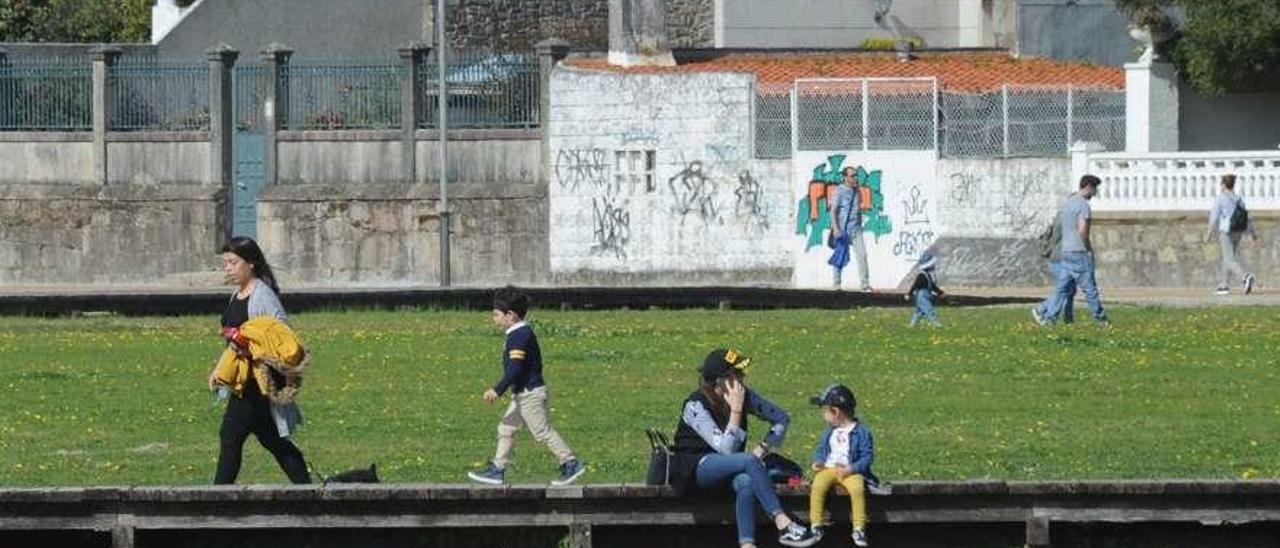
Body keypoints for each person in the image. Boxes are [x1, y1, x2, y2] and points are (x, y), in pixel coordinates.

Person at [668, 349, 817, 548]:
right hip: (695, 469)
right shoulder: (696, 405)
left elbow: (782, 418)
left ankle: (747, 544)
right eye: (736, 374)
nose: (742, 378)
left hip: (729, 467)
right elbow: (726, 451)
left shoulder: (745, 396)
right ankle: (784, 523)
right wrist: (736, 410)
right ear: (720, 381)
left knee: (746, 481)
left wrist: (763, 448)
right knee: (747, 460)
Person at [208, 236, 310, 484]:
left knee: (230, 437)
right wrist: (219, 370)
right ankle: (308, 491)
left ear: (250, 262)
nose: (228, 268)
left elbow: (283, 336)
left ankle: (215, 502)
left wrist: (254, 348)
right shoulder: (237, 294)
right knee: (272, 439)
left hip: (258, 383)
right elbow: (234, 340)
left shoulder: (262, 295)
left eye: (233, 263)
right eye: (226, 263)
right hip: (244, 381)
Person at [468, 286, 585, 486]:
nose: (493, 319)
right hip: (522, 394)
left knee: (541, 432)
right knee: (506, 428)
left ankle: (571, 462)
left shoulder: (520, 336)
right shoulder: (517, 333)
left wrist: (497, 390)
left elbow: (514, 370)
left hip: (530, 394)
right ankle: (498, 469)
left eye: (496, 315)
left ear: (510, 315)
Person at [806, 384, 885, 547]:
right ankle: (816, 524)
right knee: (818, 485)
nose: (824, 415)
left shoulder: (862, 432)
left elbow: (867, 457)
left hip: (850, 471)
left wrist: (851, 468)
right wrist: (818, 461)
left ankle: (859, 527)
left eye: (825, 411)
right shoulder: (829, 431)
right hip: (829, 469)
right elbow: (821, 449)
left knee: (857, 489)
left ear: (835, 412)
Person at [1033, 175, 1108, 326]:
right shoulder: (1083, 206)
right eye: (1095, 190)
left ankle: (1049, 318)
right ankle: (1101, 319)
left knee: (1063, 287)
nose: (1095, 194)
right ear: (1088, 187)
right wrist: (1088, 248)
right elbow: (1082, 230)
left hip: (1065, 252)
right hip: (1079, 251)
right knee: (1089, 288)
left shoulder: (1067, 204)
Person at [1208, 174, 1258, 295]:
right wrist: (1252, 233)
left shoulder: (1221, 198)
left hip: (1226, 231)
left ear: (1224, 184)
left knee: (1228, 258)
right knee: (1228, 258)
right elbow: (1247, 217)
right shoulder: (1238, 198)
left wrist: (1209, 231)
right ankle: (1223, 285)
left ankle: (1245, 277)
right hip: (1238, 231)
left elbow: (1214, 216)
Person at [830, 166, 871, 292]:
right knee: (840, 256)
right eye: (852, 176)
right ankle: (836, 285)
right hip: (843, 230)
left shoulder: (857, 191)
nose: (855, 178)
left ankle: (864, 285)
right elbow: (833, 210)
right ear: (845, 177)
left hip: (856, 230)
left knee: (862, 255)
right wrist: (836, 228)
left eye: (856, 175)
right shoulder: (840, 191)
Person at [905, 253, 943, 327]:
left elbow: (932, 286)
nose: (934, 266)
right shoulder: (921, 276)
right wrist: (909, 294)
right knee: (929, 309)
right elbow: (915, 286)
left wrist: (940, 292)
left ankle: (912, 324)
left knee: (919, 312)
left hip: (925, 295)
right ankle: (936, 324)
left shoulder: (927, 275)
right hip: (922, 296)